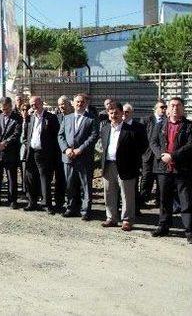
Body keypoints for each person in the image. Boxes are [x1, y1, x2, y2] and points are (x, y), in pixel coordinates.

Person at [149, 97, 192, 244]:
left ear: (183, 108)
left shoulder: (189, 126)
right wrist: (161, 155)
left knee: (185, 200)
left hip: (182, 170)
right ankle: (164, 226)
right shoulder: (160, 125)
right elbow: (153, 142)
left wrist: (172, 155)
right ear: (167, 109)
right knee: (164, 199)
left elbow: (189, 146)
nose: (175, 108)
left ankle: (189, 231)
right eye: (172, 105)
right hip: (163, 169)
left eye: (178, 105)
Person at [100, 102, 146, 231]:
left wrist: (134, 163)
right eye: (111, 113)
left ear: (122, 114)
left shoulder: (132, 129)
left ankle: (127, 220)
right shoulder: (105, 129)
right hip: (108, 165)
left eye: (116, 113)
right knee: (109, 193)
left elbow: (142, 147)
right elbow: (103, 147)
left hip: (126, 166)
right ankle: (111, 218)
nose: (114, 115)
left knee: (127, 194)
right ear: (108, 114)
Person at [58, 93, 99, 220]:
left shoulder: (92, 118)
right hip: (68, 157)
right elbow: (60, 136)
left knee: (85, 185)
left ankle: (85, 210)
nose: (79, 104)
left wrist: (80, 149)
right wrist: (65, 149)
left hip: (84, 157)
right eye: (77, 102)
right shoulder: (67, 118)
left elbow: (93, 136)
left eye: (82, 102)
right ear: (73, 103)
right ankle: (71, 208)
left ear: (86, 103)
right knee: (70, 184)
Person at [22, 96, 60, 214]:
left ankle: (47, 204)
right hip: (31, 152)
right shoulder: (31, 117)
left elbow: (55, 137)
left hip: (44, 153)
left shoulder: (51, 117)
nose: (34, 107)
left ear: (41, 104)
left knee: (45, 179)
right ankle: (32, 202)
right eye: (32, 105)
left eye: (36, 104)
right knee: (31, 178)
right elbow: (28, 134)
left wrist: (52, 153)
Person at [0, 97, 22, 208]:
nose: (5, 111)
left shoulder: (17, 118)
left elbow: (16, 134)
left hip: (10, 152)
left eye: (7, 109)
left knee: (11, 178)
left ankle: (12, 200)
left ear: (11, 106)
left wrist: (5, 143)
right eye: (3, 109)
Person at [139, 100, 167, 209]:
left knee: (160, 178)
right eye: (161, 107)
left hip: (161, 155)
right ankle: (143, 200)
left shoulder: (167, 121)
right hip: (148, 154)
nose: (164, 109)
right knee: (146, 177)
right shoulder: (146, 120)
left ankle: (159, 201)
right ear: (155, 109)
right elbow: (141, 137)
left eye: (165, 107)